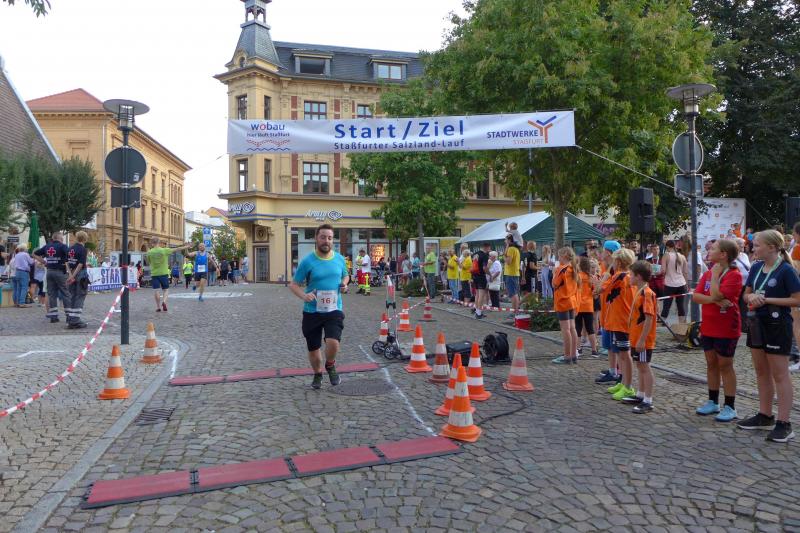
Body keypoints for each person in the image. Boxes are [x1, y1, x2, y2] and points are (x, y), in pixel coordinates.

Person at [737, 230, 800, 442]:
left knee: (780, 374)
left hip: (777, 325)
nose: (753, 248)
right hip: (756, 323)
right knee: (761, 371)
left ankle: (784, 423)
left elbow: (797, 299)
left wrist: (767, 300)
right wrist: (751, 297)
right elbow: (746, 294)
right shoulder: (756, 267)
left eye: (757, 245)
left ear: (772, 247)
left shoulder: (786, 270)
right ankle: (765, 416)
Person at [288, 224, 349, 390]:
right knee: (314, 348)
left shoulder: (339, 259)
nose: (326, 241)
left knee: (333, 342)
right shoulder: (308, 261)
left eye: (330, 238)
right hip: (312, 311)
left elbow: (346, 275)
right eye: (323, 237)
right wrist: (304, 296)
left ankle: (330, 364)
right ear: (316, 238)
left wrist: (344, 284)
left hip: (334, 309)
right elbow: (293, 285)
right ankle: (317, 373)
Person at [692, 239, 744, 422]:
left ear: (723, 254)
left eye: (713, 248)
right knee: (711, 363)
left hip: (726, 327)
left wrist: (715, 277)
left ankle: (730, 406)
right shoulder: (707, 273)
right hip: (708, 326)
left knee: (725, 365)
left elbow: (716, 293)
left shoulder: (734, 275)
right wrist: (714, 300)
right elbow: (696, 296)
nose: (709, 250)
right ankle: (713, 401)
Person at [622, 261, 658, 413]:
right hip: (636, 337)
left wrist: (642, 339)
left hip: (643, 339)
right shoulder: (640, 291)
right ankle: (641, 394)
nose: (629, 277)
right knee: (640, 365)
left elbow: (649, 318)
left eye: (631, 275)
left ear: (638, 276)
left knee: (644, 366)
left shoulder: (647, 293)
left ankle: (648, 400)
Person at [604, 248, 637, 400]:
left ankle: (628, 387)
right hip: (621, 320)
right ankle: (623, 382)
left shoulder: (620, 276)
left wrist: (604, 275)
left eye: (614, 260)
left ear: (618, 262)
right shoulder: (628, 276)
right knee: (622, 354)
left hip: (622, 320)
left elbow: (600, 288)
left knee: (625, 354)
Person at [34, 232, 72, 323]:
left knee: (52, 294)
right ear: (60, 238)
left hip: (49, 272)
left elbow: (34, 253)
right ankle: (69, 316)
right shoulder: (63, 246)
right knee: (65, 293)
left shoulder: (47, 246)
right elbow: (70, 255)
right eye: (62, 238)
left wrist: (43, 262)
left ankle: (53, 317)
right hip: (60, 272)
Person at [148, 237, 193, 312]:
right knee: (165, 290)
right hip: (164, 273)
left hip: (154, 274)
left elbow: (149, 262)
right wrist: (187, 246)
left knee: (156, 290)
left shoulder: (149, 252)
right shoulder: (164, 250)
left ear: (152, 243)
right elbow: (177, 249)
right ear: (159, 242)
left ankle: (158, 307)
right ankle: (164, 302)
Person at [551, 247, 580, 364]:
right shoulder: (573, 268)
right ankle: (573, 354)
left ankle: (567, 356)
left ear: (564, 256)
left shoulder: (561, 269)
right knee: (572, 328)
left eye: (559, 256)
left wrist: (554, 273)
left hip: (563, 301)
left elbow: (554, 284)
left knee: (566, 330)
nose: (558, 258)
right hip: (572, 301)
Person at [660, 240, 689, 325]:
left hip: (669, 284)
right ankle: (682, 326)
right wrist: (686, 284)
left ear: (667, 247)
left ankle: (661, 324)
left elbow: (663, 270)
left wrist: (658, 272)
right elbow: (685, 272)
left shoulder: (666, 255)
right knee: (681, 306)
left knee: (666, 305)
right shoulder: (682, 256)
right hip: (682, 283)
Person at [575, 256, 598, 357]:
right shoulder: (591, 277)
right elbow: (595, 294)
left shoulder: (577, 277)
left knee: (578, 328)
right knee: (590, 328)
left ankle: (578, 349)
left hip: (578, 305)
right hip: (588, 306)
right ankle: (594, 350)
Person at [504, 234, 521, 317]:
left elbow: (508, 262)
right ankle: (515, 311)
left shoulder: (511, 249)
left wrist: (504, 256)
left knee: (513, 294)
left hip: (511, 274)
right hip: (514, 273)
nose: (504, 241)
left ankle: (515, 312)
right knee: (514, 293)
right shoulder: (516, 249)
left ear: (509, 240)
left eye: (506, 239)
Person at [472, 242, 491, 319]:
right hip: (481, 276)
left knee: (477, 295)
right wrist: (490, 274)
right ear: (486, 247)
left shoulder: (475, 254)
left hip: (474, 276)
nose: (489, 250)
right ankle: (479, 313)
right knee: (481, 295)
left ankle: (477, 311)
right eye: (489, 248)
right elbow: (484, 268)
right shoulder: (484, 255)